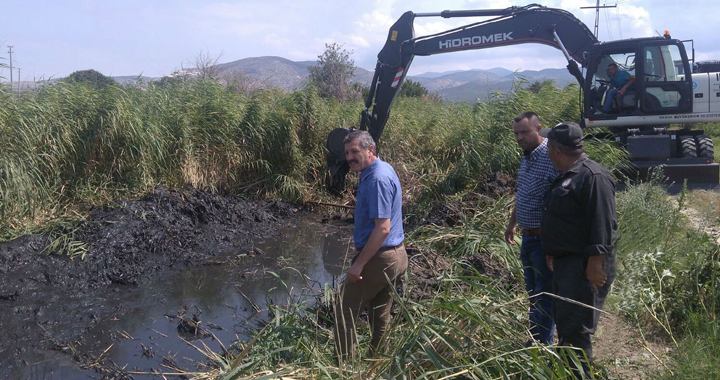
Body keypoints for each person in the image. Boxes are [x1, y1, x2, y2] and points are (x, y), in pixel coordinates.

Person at [540, 122, 617, 377]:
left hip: (584, 266)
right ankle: (568, 372)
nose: (547, 151)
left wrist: (595, 265)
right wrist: (553, 250)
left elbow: (603, 223)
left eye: (548, 146)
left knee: (575, 331)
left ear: (556, 150)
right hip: (567, 265)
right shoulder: (569, 175)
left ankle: (577, 374)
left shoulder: (593, 176)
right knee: (566, 324)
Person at [334, 130, 408, 361]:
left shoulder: (376, 179)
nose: (350, 157)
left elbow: (383, 228)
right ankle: (377, 361)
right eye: (347, 152)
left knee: (344, 311)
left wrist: (359, 264)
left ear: (370, 150)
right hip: (394, 255)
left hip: (380, 258)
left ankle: (344, 367)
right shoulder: (380, 170)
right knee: (380, 312)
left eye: (355, 151)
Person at [504, 112, 560, 346]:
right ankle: (535, 338)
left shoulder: (551, 157)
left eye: (524, 132)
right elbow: (524, 193)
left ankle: (542, 347)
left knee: (545, 295)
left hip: (544, 241)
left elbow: (559, 204)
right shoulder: (527, 156)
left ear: (538, 128)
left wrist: (555, 245)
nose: (519, 137)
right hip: (527, 237)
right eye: (516, 133)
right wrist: (512, 223)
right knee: (533, 294)